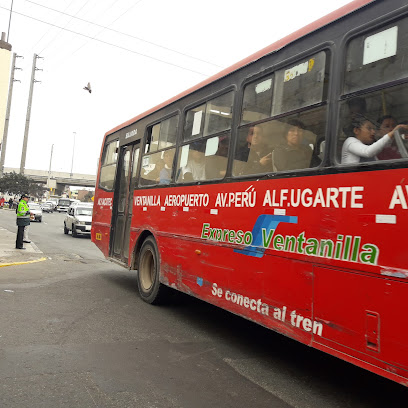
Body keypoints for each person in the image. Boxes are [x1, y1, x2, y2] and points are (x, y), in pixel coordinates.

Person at [341, 114, 408, 164]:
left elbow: (387, 145)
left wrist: (401, 137)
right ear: (356, 131)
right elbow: (368, 152)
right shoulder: (350, 141)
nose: (373, 132)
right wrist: (393, 132)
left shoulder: (369, 145)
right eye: (369, 128)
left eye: (373, 129)